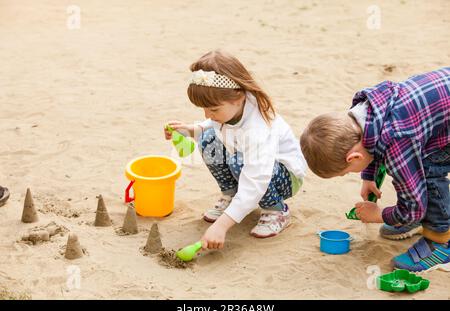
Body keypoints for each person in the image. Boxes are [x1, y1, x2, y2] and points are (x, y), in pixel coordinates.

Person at [300, 67, 450, 272]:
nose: (348, 174)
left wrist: (380, 214)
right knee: (414, 174)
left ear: (353, 158)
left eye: (345, 172)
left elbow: (413, 206)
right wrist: (369, 176)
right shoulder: (365, 110)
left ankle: (440, 241)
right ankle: (424, 219)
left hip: (441, 127)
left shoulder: (397, 139)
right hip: (438, 106)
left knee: (428, 169)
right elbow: (374, 142)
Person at [164, 50, 307, 250]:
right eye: (204, 109)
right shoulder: (231, 109)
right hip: (247, 164)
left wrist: (222, 226)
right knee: (207, 139)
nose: (208, 115)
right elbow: (220, 129)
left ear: (238, 98)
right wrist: (192, 130)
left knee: (238, 161)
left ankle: (276, 210)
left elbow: (256, 179)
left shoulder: (257, 129)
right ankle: (232, 198)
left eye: (213, 109)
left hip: (283, 177)